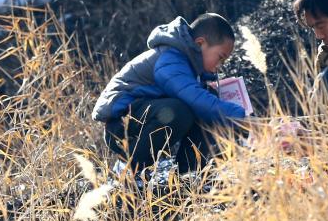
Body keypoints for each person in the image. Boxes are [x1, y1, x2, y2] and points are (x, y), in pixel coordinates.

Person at [92, 13, 245, 173]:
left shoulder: (189, 67)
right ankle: (131, 169)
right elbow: (195, 98)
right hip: (121, 126)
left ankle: (190, 174)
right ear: (200, 44)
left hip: (142, 117)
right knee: (181, 110)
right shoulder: (170, 59)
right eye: (220, 58)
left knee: (207, 106)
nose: (220, 65)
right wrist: (242, 118)